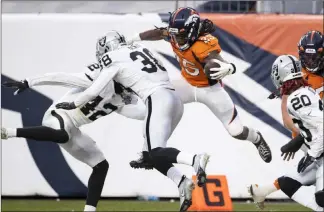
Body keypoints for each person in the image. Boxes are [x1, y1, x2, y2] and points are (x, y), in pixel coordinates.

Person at [55, 30, 210, 212]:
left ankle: (194, 159)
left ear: (107, 48)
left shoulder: (112, 57)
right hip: (174, 99)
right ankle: (181, 182)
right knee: (150, 155)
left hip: (157, 98)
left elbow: (92, 91)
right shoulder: (140, 48)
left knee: (156, 152)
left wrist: (74, 103)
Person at [1, 33, 147, 212]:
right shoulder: (96, 75)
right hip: (59, 114)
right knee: (62, 134)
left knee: (101, 165)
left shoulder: (126, 93)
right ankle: (7, 132)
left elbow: (138, 113)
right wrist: (29, 82)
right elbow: (62, 77)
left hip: (73, 127)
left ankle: (89, 210)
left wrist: (155, 109)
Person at [127, 7, 272, 170]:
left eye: (181, 36)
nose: (177, 39)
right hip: (186, 84)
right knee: (154, 104)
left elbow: (215, 59)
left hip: (210, 90)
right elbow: (160, 33)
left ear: (192, 30)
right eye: (175, 35)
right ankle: (148, 153)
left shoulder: (203, 43)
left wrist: (228, 66)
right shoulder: (175, 33)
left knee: (236, 131)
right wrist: (135, 38)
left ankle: (256, 138)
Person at [250, 30, 324, 210]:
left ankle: (263, 190)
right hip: (314, 141)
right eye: (307, 57)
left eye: (315, 57)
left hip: (316, 139)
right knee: (302, 185)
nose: (311, 62)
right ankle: (263, 190)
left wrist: (303, 138)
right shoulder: (296, 79)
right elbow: (287, 119)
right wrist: (301, 137)